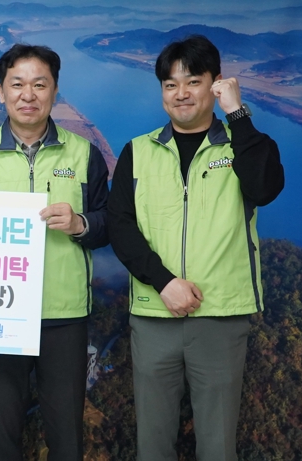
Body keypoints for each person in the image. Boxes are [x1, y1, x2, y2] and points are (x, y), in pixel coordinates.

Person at [108, 35, 284, 461]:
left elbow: (265, 188)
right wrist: (164, 282)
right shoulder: (138, 151)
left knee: (218, 447)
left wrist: (237, 114)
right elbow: (120, 226)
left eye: (193, 81)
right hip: (154, 315)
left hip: (221, 316)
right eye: (170, 84)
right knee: (153, 446)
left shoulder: (244, 145)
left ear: (216, 83)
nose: (181, 93)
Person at [0, 44, 109, 461]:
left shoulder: (85, 154)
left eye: (39, 85)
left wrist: (80, 224)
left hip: (64, 315)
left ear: (54, 91)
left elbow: (108, 224)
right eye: (17, 84)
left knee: (66, 436)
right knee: (3, 435)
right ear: (1, 92)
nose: (28, 95)